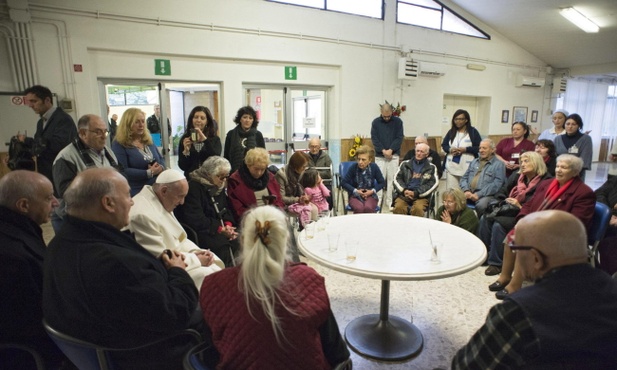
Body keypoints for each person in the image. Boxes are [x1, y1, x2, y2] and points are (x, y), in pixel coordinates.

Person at [43, 168, 202, 370]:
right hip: (143, 354)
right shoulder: (115, 263)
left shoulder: (58, 244)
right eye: (127, 195)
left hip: (95, 345)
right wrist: (177, 271)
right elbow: (176, 312)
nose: (132, 201)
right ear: (108, 203)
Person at [452, 210, 617, 369]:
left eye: (516, 248)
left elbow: (466, 365)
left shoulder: (517, 312)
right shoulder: (611, 289)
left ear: (536, 259)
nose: (514, 253)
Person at [200, 206, 351, 370]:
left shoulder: (212, 285)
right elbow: (337, 353)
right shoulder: (309, 279)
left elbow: (210, 352)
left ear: (242, 241)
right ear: (286, 240)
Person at [490, 154, 595, 299]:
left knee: (524, 243)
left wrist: (542, 228)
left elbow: (575, 222)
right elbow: (529, 204)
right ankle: (505, 276)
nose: (558, 170)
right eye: (557, 166)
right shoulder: (547, 184)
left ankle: (515, 285)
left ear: (575, 171)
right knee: (512, 236)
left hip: (561, 235)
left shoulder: (584, 193)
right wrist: (522, 219)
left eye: (563, 167)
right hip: (536, 225)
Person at [0, 171, 65, 370]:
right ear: (23, 205)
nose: (55, 202)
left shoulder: (17, 231)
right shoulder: (13, 255)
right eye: (48, 197)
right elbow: (28, 318)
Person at [129, 169, 224, 289]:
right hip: (164, 274)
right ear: (164, 191)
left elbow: (180, 239)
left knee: (214, 265)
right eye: (180, 196)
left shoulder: (160, 199)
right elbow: (162, 260)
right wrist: (196, 259)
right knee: (209, 275)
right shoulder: (142, 216)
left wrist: (195, 252)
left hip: (179, 258)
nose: (182, 202)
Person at [479, 152, 550, 277]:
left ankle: (496, 263)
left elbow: (538, 204)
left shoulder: (545, 181)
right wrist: (501, 201)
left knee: (498, 224)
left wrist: (519, 205)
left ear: (537, 162)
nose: (523, 164)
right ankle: (483, 255)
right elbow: (503, 191)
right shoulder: (517, 176)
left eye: (527, 161)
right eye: (522, 161)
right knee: (485, 218)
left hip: (525, 215)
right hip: (508, 209)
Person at [52, 114, 121, 232]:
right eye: (98, 132)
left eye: (105, 132)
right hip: (75, 221)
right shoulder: (66, 157)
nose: (103, 137)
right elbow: (65, 192)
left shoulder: (108, 152)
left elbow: (120, 174)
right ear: (83, 133)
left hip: (102, 216)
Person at [174, 156, 240, 267]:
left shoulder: (218, 186)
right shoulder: (194, 188)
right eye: (220, 177)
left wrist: (228, 225)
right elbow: (194, 217)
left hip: (220, 227)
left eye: (226, 177)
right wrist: (220, 229)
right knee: (222, 246)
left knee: (240, 238)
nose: (223, 181)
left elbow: (227, 208)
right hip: (203, 230)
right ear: (208, 174)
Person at [24, 85, 77, 185]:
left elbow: (60, 146)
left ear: (47, 100)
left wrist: (27, 141)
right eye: (29, 102)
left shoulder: (63, 119)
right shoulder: (41, 122)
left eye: (34, 101)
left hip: (60, 173)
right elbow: (38, 146)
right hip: (46, 173)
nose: (30, 105)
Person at [112, 108, 165, 196]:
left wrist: (161, 167)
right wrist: (148, 173)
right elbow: (122, 170)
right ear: (128, 124)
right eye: (137, 122)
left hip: (156, 188)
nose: (141, 125)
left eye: (143, 121)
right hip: (136, 191)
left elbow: (161, 158)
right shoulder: (119, 143)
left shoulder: (148, 140)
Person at [227, 147, 284, 221]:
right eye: (256, 169)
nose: (259, 173)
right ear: (248, 165)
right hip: (250, 221)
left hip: (271, 218)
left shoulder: (270, 177)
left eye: (263, 169)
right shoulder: (235, 180)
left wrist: (275, 212)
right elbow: (237, 209)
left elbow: (279, 200)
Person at [459, 139, 506, 217]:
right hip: (469, 192)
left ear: (492, 150)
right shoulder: (474, 162)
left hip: (487, 195)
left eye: (484, 148)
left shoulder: (499, 164)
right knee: (454, 200)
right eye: (480, 148)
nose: (481, 150)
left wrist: (479, 194)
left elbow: (497, 184)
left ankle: (479, 226)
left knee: (481, 205)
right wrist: (466, 190)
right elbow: (464, 178)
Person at [370, 102, 404, 209]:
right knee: (380, 179)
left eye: (389, 116)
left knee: (392, 179)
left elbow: (399, 137)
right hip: (380, 155)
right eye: (384, 116)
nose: (387, 118)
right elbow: (374, 139)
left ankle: (390, 202)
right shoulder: (375, 122)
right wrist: (383, 151)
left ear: (392, 113)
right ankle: (378, 201)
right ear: (381, 112)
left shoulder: (398, 121)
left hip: (393, 155)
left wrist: (391, 150)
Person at [392, 143, 438, 216]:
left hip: (421, 196)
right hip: (404, 195)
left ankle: (415, 227)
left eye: (422, 152)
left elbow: (433, 184)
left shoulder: (431, 167)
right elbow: (396, 179)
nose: (419, 153)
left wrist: (416, 193)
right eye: (417, 151)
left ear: (427, 154)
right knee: (398, 208)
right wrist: (404, 190)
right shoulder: (405, 164)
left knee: (418, 209)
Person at [441, 109, 482, 190]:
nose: (458, 121)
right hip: (452, 166)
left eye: (460, 119)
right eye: (456, 119)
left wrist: (466, 149)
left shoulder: (473, 132)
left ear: (466, 120)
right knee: (452, 191)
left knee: (465, 191)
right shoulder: (451, 131)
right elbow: (444, 145)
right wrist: (450, 150)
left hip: (467, 166)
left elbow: (479, 147)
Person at [177, 106, 222, 178]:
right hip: (191, 180)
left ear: (207, 121)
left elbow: (215, 160)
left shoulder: (214, 139)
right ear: (191, 119)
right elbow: (183, 166)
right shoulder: (185, 138)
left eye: (202, 118)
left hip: (210, 179)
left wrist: (205, 140)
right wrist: (186, 151)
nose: (198, 120)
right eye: (196, 117)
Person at [276, 151, 317, 226]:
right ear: (295, 167)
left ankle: (311, 231)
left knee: (314, 209)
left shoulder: (300, 172)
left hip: (298, 201)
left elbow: (302, 188)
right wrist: (297, 199)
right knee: (307, 211)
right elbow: (281, 198)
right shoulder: (281, 175)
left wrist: (305, 196)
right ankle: (306, 231)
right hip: (285, 205)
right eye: (303, 167)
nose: (305, 169)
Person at [341, 145, 385, 213]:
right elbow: (343, 182)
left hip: (370, 195)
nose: (360, 162)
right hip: (355, 195)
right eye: (359, 159)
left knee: (368, 207)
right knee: (359, 208)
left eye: (363, 159)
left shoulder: (374, 167)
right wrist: (355, 190)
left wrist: (372, 191)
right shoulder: (353, 167)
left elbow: (382, 183)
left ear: (369, 160)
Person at [224, 106, 266, 174]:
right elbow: (226, 156)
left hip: (254, 173)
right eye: (245, 117)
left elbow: (263, 157)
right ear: (240, 119)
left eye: (250, 118)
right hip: (234, 172)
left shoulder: (258, 135)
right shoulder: (231, 134)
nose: (247, 120)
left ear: (253, 120)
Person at [554, 113, 593, 181]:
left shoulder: (586, 139)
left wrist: (573, 172)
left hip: (577, 174)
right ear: (564, 125)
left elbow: (585, 159)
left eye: (573, 124)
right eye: (568, 124)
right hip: (560, 173)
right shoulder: (558, 139)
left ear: (579, 126)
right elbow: (553, 156)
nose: (570, 126)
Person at [306, 137, 333, 209]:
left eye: (316, 146)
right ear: (309, 147)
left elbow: (329, 173)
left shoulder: (326, 157)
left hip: (324, 183)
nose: (314, 149)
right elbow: (304, 173)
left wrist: (316, 174)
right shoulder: (305, 157)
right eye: (312, 146)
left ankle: (326, 211)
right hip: (310, 185)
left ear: (320, 146)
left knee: (329, 196)